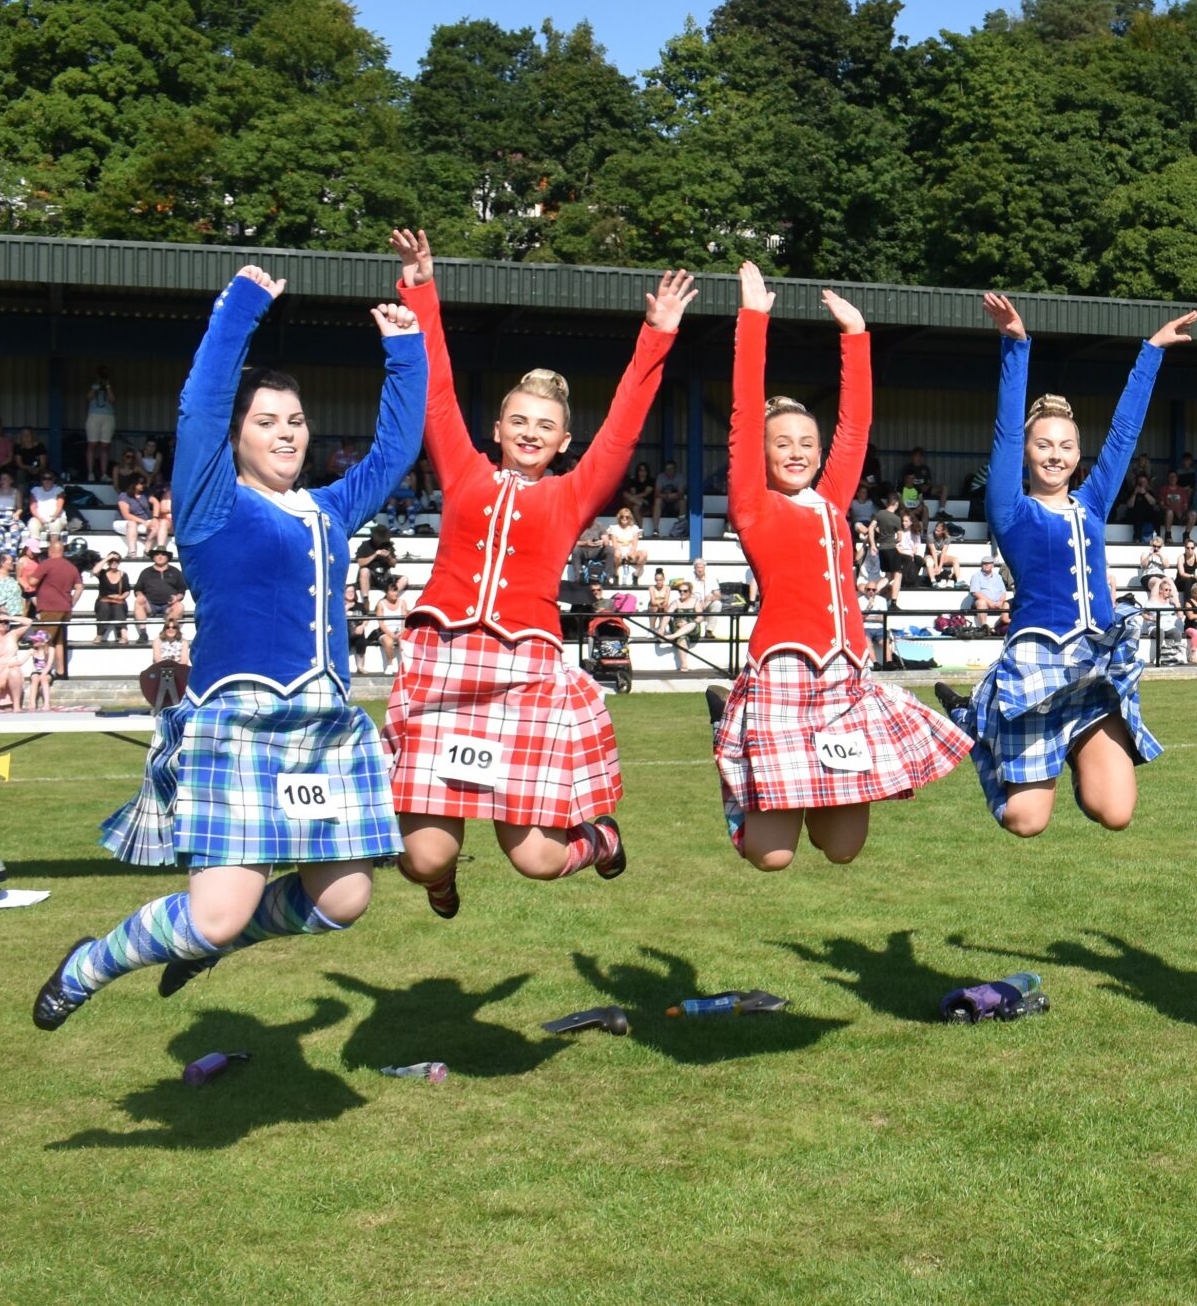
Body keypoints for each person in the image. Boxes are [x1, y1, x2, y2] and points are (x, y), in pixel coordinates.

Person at [34, 264, 424, 1030]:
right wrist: (240, 307)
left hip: (320, 729)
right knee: (215, 914)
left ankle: (208, 939)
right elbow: (201, 404)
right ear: (237, 436)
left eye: (297, 419)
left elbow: (394, 451)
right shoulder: (212, 507)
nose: (287, 431)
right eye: (268, 420)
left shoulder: (330, 508)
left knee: (344, 899)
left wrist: (407, 353)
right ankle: (92, 962)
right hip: (238, 728)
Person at [380, 230, 686, 920]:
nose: (528, 432)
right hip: (443, 663)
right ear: (496, 427)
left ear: (563, 440)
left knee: (538, 860)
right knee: (422, 855)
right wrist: (420, 286)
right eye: (517, 420)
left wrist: (656, 335)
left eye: (543, 425)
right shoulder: (461, 470)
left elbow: (624, 427)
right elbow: (437, 390)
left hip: (523, 672)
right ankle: (440, 880)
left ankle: (601, 839)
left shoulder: (572, 494)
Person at [710, 267, 970, 867]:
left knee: (842, 849)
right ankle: (732, 744)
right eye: (783, 443)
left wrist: (856, 337)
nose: (797, 450)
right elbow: (745, 417)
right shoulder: (754, 507)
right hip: (782, 675)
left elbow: (856, 425)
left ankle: (778, 770)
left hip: (844, 679)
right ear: (763, 455)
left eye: (807, 441)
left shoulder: (831, 501)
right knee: (770, 856)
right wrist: (754, 321)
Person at [935, 293, 1195, 837]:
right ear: (1027, 452)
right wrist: (1015, 347)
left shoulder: (1094, 501)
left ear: (1079, 453)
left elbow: (1124, 435)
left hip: (1095, 666)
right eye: (1044, 445)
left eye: (1067, 445)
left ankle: (1078, 751)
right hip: (1037, 668)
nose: (1056, 454)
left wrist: (1150, 352)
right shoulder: (1010, 511)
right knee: (1025, 823)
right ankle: (974, 724)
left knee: (1116, 813)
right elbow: (1005, 432)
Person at [29, 538, 82, 677]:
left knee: (43, 639)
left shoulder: (47, 564)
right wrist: (72, 603)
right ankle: (61, 670)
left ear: (51, 551)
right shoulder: (71, 567)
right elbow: (79, 587)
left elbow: (33, 581)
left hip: (49, 607)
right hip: (65, 608)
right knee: (59, 640)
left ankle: (42, 670)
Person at [133, 547, 186, 641]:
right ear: (153, 557)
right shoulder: (146, 572)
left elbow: (181, 590)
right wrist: (140, 595)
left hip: (169, 606)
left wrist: (176, 598)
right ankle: (143, 633)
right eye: (157, 555)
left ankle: (165, 632)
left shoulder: (175, 571)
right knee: (138, 600)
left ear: (167, 557)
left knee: (179, 606)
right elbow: (137, 588)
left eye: (163, 555)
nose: (160, 557)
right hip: (150, 605)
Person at [92, 553, 133, 645]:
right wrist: (107, 558)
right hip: (104, 600)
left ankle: (123, 635)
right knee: (104, 607)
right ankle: (99, 634)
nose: (114, 562)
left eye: (116, 561)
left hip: (118, 600)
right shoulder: (102, 573)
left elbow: (127, 590)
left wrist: (121, 597)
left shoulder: (123, 574)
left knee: (118, 607)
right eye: (111, 561)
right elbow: (94, 571)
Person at [964, 557, 1011, 634]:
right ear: (981, 565)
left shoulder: (998, 577)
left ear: (992, 565)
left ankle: (995, 626)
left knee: (1008, 604)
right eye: (984, 563)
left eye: (988, 563)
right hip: (982, 602)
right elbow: (976, 593)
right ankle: (984, 627)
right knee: (981, 602)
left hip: (997, 603)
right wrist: (990, 602)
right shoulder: (976, 576)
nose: (986, 565)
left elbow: (1003, 592)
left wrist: (1001, 602)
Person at [605, 507, 648, 586]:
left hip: (630, 553)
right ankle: (617, 575)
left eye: (627, 517)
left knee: (644, 553)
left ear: (630, 518)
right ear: (619, 517)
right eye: (622, 516)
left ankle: (635, 575)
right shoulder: (614, 528)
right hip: (619, 554)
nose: (624, 518)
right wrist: (621, 554)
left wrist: (630, 553)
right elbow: (615, 545)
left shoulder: (634, 528)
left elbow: (635, 544)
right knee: (617, 553)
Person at [116, 475, 154, 557]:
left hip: (143, 522)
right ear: (134, 484)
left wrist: (155, 518)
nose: (143, 485)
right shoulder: (123, 496)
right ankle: (132, 552)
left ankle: (147, 549)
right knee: (132, 523)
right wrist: (143, 521)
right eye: (141, 483)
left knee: (157, 524)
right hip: (123, 522)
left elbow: (156, 503)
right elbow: (126, 515)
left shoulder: (145, 495)